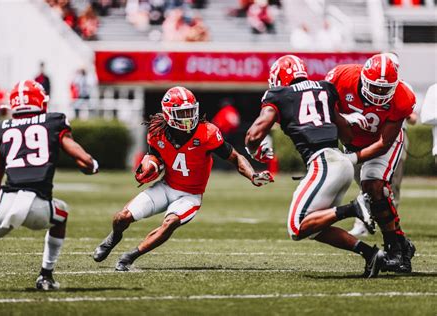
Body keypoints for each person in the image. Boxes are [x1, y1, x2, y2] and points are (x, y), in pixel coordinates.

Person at [93, 86, 273, 271]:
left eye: (190, 111)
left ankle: (129, 257)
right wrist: (151, 166)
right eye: (182, 113)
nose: (188, 117)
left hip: (190, 195)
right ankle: (114, 237)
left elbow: (235, 157)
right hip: (166, 187)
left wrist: (252, 174)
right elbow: (154, 157)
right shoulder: (157, 132)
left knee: (170, 222)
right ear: (169, 114)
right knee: (122, 217)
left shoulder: (207, 133)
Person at [245, 55, 384, 278]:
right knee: (313, 228)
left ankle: (354, 208)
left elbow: (255, 133)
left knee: (296, 227)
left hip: (324, 163)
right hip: (340, 162)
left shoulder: (278, 94)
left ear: (279, 77)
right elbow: (347, 134)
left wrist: (253, 150)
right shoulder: (325, 88)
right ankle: (371, 255)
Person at [0, 80, 99, 290]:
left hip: (6, 200)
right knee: (61, 215)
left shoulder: (1, 127)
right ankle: (46, 276)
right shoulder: (53, 121)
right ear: (40, 101)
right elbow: (81, 157)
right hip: (37, 203)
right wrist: (91, 165)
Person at [326, 53, 416, 273]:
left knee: (374, 185)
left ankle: (394, 250)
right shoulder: (340, 77)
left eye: (385, 90)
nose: (379, 94)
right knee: (372, 197)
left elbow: (385, 143)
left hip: (383, 143)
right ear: (364, 79)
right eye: (375, 87)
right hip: (352, 143)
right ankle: (402, 244)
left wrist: (352, 158)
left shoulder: (402, 96)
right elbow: (325, 112)